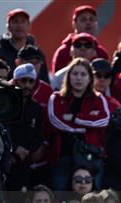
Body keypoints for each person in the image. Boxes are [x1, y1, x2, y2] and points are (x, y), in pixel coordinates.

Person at [47, 58, 110, 191]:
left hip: (90, 157)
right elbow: (56, 122)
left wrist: (75, 118)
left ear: (90, 78)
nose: (78, 78)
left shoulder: (98, 98)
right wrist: (87, 125)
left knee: (94, 199)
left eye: (83, 74)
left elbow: (103, 120)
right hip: (62, 157)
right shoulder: (56, 98)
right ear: (68, 77)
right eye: (75, 74)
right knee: (60, 197)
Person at [6, 64, 46, 192]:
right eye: (23, 80)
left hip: (24, 162)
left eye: (31, 81)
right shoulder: (4, 105)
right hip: (5, 159)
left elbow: (39, 135)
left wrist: (26, 151)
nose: (27, 85)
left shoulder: (36, 109)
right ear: (15, 81)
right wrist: (14, 148)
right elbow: (0, 130)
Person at [0, 9, 49, 82]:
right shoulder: (0, 54)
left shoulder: (38, 54)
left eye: (23, 21)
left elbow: (45, 81)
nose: (19, 25)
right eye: (15, 22)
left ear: (29, 25)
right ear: (8, 27)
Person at [52, 5, 108, 74]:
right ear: (74, 24)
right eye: (83, 20)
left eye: (91, 19)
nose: (88, 23)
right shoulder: (63, 52)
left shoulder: (101, 52)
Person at [17, 45, 53, 110]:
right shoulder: (9, 86)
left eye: (37, 62)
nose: (33, 66)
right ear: (18, 62)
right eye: (30, 62)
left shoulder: (47, 90)